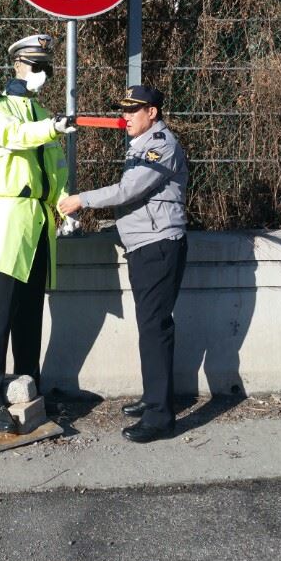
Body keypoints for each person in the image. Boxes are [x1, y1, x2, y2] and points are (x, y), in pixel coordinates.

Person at [59, 85, 188, 443]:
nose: (126, 116)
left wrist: (81, 200)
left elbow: (128, 190)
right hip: (146, 245)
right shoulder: (141, 143)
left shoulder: (160, 145)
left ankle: (161, 418)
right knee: (151, 327)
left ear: (153, 113)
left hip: (158, 247)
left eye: (134, 110)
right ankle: (154, 398)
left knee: (154, 328)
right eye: (124, 110)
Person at [0, 33, 75, 434]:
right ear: (18, 66)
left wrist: (65, 203)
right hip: (8, 222)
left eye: (48, 66)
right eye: (38, 66)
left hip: (40, 224)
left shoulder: (43, 112)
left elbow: (57, 169)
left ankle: (29, 389)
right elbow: (15, 136)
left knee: (31, 318)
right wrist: (51, 127)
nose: (44, 73)